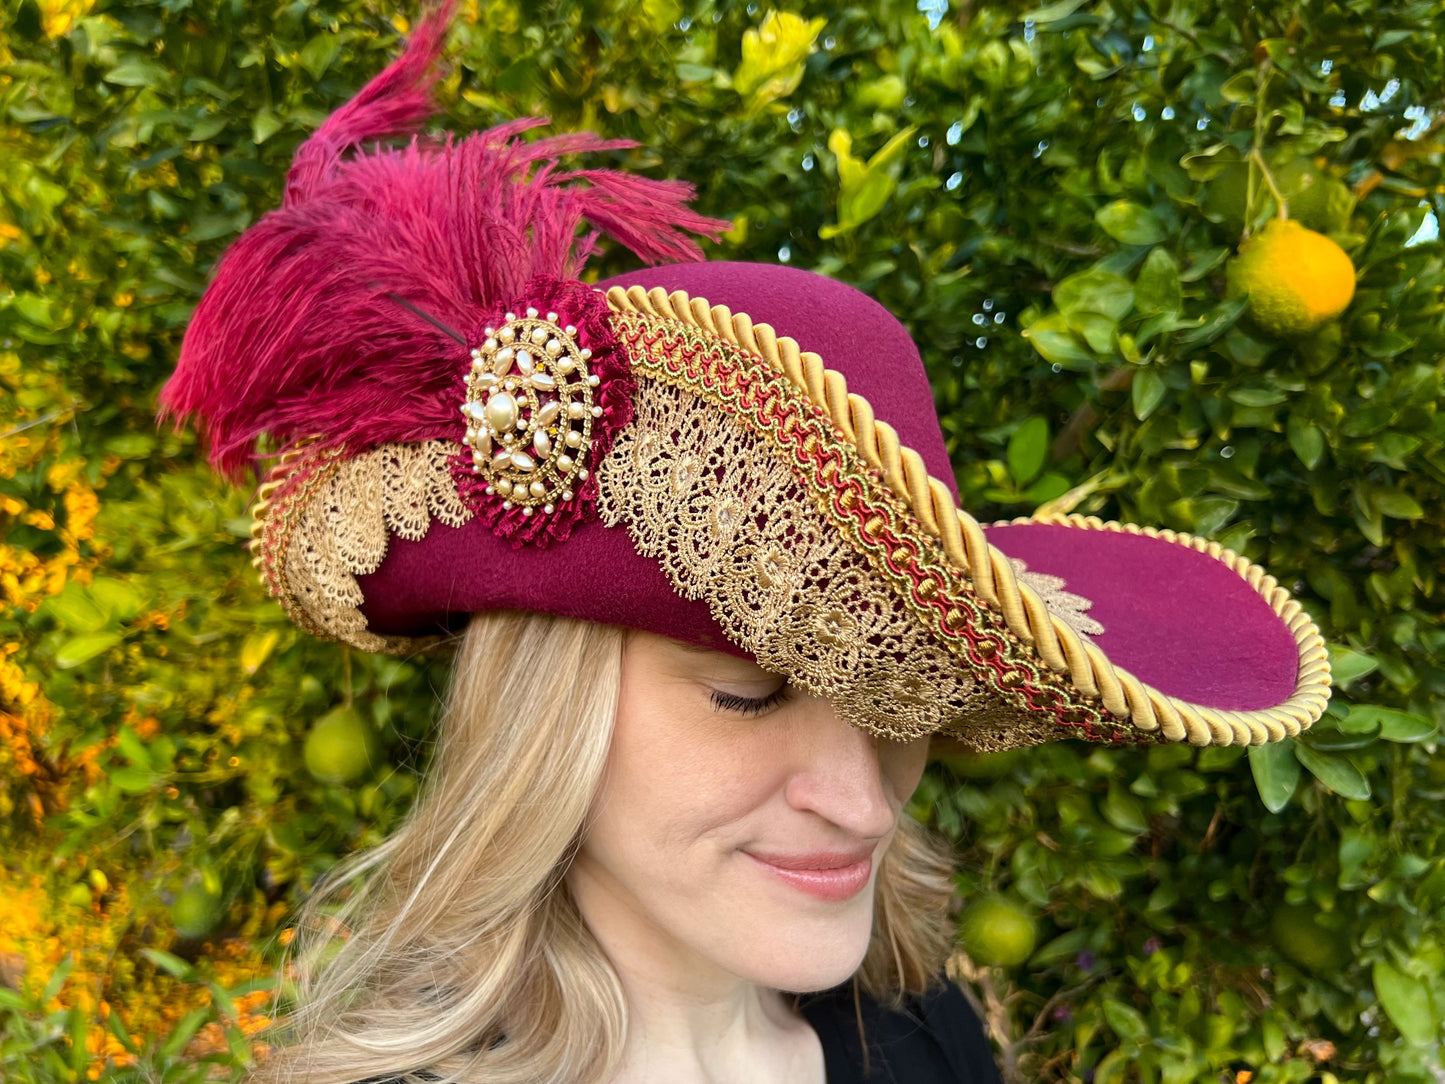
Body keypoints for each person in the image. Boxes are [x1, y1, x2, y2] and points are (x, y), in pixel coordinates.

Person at [163, 6, 1330, 1082]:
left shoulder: (927, 1045)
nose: (864, 806)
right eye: (747, 692)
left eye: (896, 703)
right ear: (541, 716)